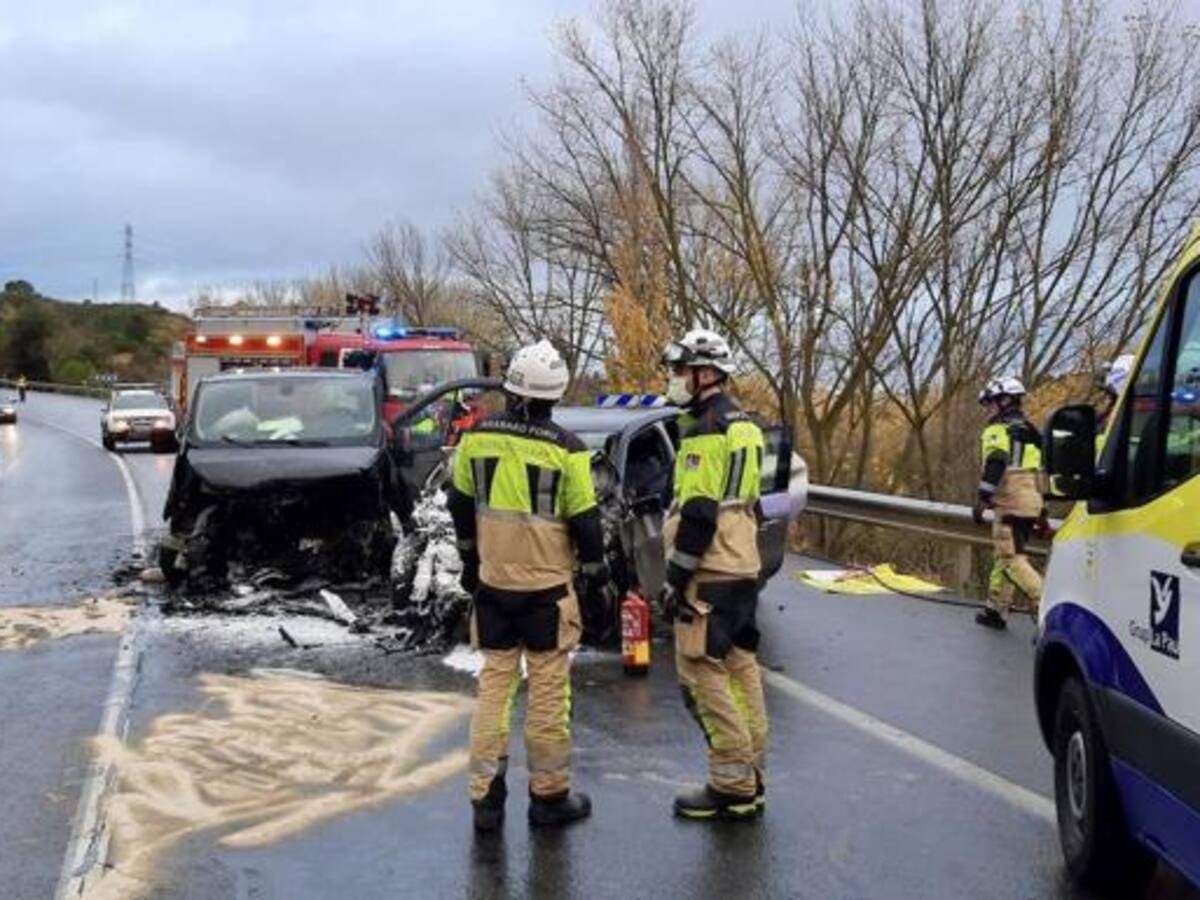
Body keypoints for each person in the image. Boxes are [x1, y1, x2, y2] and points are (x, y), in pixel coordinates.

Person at [447, 339, 610, 832]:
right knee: (546, 694)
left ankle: (485, 800)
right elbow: (585, 522)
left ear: (513, 387)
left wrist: (471, 561)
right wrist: (597, 575)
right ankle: (548, 797)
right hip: (546, 592)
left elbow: (459, 505)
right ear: (554, 395)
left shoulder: (476, 439)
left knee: (494, 690)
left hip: (494, 587)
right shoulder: (568, 449)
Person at [660, 328, 767, 821]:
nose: (675, 379)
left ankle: (730, 782)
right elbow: (754, 498)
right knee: (741, 668)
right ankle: (752, 773)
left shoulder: (705, 428)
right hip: (743, 562)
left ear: (705, 374)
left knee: (700, 672)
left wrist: (675, 580)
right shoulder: (743, 423)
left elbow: (699, 511)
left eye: (681, 370)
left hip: (712, 565)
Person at [973, 376, 1045, 630]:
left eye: (990, 403)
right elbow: (1039, 471)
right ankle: (995, 610)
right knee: (1004, 556)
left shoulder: (998, 429)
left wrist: (983, 499)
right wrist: (1043, 512)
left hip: (1011, 501)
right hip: (1032, 500)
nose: (988, 409)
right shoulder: (1032, 432)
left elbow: (996, 461)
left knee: (1011, 559)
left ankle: (1045, 604)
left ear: (1004, 400)